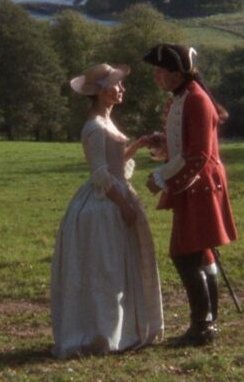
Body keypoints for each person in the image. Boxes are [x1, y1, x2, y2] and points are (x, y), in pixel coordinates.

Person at [50, 63, 164, 358]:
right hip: (103, 205)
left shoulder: (106, 122)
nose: (121, 89)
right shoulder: (94, 126)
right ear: (101, 92)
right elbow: (100, 173)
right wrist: (123, 204)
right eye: (116, 84)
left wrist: (135, 146)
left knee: (116, 264)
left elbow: (114, 163)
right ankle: (101, 331)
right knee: (105, 267)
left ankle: (122, 329)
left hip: (114, 196)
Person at [143, 43, 238, 347]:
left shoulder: (195, 100)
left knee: (185, 254)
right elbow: (184, 144)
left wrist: (161, 177)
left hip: (198, 184)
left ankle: (202, 327)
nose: (156, 76)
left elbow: (197, 155)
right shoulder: (181, 99)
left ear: (176, 73)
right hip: (192, 185)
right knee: (199, 253)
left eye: (160, 71)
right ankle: (207, 323)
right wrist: (161, 143)